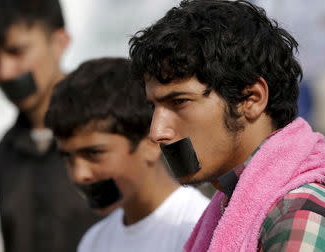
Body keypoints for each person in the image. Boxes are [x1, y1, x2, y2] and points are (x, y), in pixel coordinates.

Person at [129, 0, 325, 251]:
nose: (157, 132)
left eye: (179, 101)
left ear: (251, 99)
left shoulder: (300, 220)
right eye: (153, 107)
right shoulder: (231, 209)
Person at [0, 0, 99, 252]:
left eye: (16, 52)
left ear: (60, 41)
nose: (5, 71)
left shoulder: (115, 128)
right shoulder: (6, 152)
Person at [44, 57, 209, 252]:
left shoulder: (199, 227)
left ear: (151, 143)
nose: (79, 174)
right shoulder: (94, 242)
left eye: (94, 153)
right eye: (67, 157)